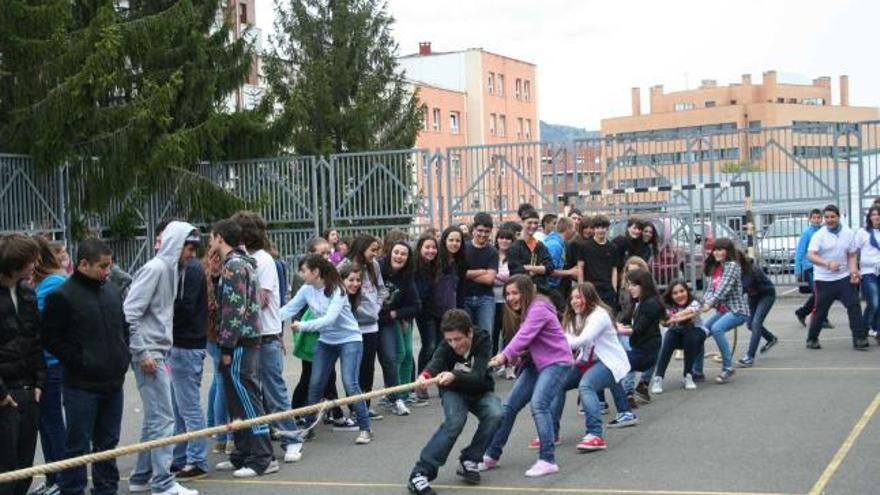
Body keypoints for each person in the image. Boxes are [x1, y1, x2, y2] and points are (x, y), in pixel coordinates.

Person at [42, 238, 128, 495]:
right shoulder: (62, 296)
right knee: (77, 446)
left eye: (109, 266)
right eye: (102, 266)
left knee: (108, 444)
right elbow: (50, 338)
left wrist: (123, 355)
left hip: (114, 382)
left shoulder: (111, 290)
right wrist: (80, 360)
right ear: (83, 264)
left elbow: (122, 326)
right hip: (82, 386)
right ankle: (73, 490)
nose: (107, 271)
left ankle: (106, 490)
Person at [124, 221, 200, 495]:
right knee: (164, 420)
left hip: (159, 351)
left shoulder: (172, 270)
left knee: (155, 419)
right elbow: (130, 313)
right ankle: (163, 483)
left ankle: (142, 477)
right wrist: (142, 352)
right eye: (189, 248)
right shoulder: (156, 269)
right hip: (150, 354)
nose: (192, 254)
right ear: (176, 244)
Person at [481, 275, 573, 478]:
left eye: (515, 293)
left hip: (556, 362)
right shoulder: (525, 312)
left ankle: (547, 460)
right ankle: (491, 455)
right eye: (507, 294)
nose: (511, 298)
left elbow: (524, 337)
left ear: (526, 291)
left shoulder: (538, 307)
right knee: (509, 406)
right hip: (536, 364)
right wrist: (512, 358)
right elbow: (525, 344)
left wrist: (504, 355)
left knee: (539, 404)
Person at [232, 212, 303, 464]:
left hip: (264, 336)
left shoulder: (262, 261)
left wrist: (233, 302)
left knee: (274, 392)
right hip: (251, 337)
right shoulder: (246, 260)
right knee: (253, 394)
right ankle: (251, 445)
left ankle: (292, 439)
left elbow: (261, 299)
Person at [406, 310, 502, 495]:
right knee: (454, 423)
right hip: (454, 392)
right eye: (449, 340)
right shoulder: (446, 345)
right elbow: (436, 362)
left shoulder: (482, 339)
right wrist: (424, 377)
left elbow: (477, 375)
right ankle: (420, 474)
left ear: (470, 332)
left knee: (496, 413)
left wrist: (454, 375)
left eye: (458, 339)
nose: (453, 344)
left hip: (479, 389)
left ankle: (470, 459)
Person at [279, 254, 373, 445]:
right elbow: (288, 309)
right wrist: (265, 323)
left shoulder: (337, 290)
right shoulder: (307, 289)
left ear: (315, 272)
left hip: (350, 340)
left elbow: (329, 319)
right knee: (315, 385)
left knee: (350, 383)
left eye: (304, 270)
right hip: (326, 341)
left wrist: (302, 326)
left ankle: (365, 428)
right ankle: (308, 429)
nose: (300, 274)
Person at [209, 219, 278, 478]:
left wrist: (225, 345)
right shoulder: (238, 264)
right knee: (236, 400)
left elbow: (233, 310)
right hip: (242, 340)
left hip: (240, 342)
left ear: (219, 238)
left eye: (212, 238)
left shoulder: (235, 266)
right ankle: (242, 453)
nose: (210, 243)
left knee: (247, 398)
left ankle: (262, 457)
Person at [548, 283, 631, 452]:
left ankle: (595, 434)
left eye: (579, 297)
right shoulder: (573, 317)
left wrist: (555, 339)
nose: (574, 302)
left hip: (608, 361)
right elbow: (568, 342)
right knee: (557, 384)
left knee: (587, 385)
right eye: (572, 298)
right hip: (584, 361)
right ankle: (551, 433)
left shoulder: (599, 315)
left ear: (590, 297)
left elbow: (581, 340)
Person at [0, 234, 45, 495]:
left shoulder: (27, 293)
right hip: (5, 394)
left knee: (25, 466)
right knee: (6, 468)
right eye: (30, 261)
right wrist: (2, 393)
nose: (35, 265)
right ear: (16, 264)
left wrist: (40, 379)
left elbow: (35, 339)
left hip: (29, 390)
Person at [169, 228, 210, 478]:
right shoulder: (187, 268)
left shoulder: (191, 269)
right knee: (179, 406)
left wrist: (163, 310)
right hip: (183, 343)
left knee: (188, 406)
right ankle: (180, 456)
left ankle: (196, 459)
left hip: (187, 344)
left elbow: (184, 306)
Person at [29, 236, 68, 495]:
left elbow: (37, 322)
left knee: (52, 424)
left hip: (52, 365)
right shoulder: (45, 283)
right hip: (44, 365)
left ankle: (62, 481)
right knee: (45, 423)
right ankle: (54, 477)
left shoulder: (53, 283)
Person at [806, 205, 869, 350]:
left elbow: (851, 254)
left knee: (853, 305)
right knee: (821, 311)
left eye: (832, 217)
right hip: (823, 280)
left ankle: (859, 339)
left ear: (838, 217)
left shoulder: (847, 233)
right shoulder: (819, 235)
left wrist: (853, 271)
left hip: (843, 277)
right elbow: (811, 255)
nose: (829, 220)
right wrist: (827, 263)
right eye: (826, 217)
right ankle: (812, 339)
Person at [340, 235, 387, 421]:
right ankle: (354, 408)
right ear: (362, 248)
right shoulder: (344, 266)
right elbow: (337, 292)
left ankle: (365, 406)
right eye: (372, 250)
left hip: (371, 325)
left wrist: (376, 307)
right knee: (352, 370)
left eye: (377, 250)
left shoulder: (374, 265)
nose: (375, 254)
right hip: (351, 327)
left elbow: (382, 289)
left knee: (368, 368)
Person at [692, 238, 751, 383]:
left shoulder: (732, 266)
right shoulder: (716, 268)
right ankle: (697, 372)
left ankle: (727, 368)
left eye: (720, 250)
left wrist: (709, 305)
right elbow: (709, 291)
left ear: (727, 251)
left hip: (737, 310)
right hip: (723, 311)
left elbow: (721, 291)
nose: (716, 253)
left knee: (717, 329)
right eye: (715, 250)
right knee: (700, 333)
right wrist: (697, 306)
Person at [609, 269, 662, 421]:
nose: (630, 288)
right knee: (610, 368)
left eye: (633, 285)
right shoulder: (639, 303)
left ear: (643, 285)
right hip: (641, 349)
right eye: (628, 285)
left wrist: (616, 330)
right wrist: (617, 325)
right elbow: (627, 322)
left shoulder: (649, 304)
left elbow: (637, 329)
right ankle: (615, 403)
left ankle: (624, 410)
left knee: (613, 371)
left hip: (646, 353)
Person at [378, 241, 421, 415]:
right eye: (396, 252)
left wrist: (396, 314)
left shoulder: (406, 276)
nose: (399, 256)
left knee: (392, 357)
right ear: (390, 253)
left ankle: (395, 398)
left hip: (387, 321)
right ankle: (360, 405)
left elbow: (416, 306)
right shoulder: (378, 268)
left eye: (403, 254)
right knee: (365, 364)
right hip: (366, 322)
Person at [649, 280, 705, 393]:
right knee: (670, 335)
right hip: (676, 335)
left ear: (687, 291)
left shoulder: (695, 302)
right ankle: (658, 377)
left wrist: (674, 317)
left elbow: (690, 312)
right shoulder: (667, 306)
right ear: (671, 295)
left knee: (689, 330)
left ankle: (688, 375)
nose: (679, 295)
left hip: (696, 334)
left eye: (682, 291)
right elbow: (664, 322)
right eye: (675, 293)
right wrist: (666, 320)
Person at [203, 250, 232, 455]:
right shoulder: (215, 278)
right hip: (217, 336)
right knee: (224, 384)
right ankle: (224, 436)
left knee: (218, 381)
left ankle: (214, 427)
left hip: (214, 335)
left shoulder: (207, 274)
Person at [462, 213, 499, 342]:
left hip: (485, 298)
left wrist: (466, 274)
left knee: (485, 335)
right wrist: (482, 271)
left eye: (487, 232)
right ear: (473, 230)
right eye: (480, 231)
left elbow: (489, 279)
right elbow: (458, 273)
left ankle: (484, 362)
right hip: (464, 297)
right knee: (466, 335)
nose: (483, 235)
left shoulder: (492, 251)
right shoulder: (463, 248)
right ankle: (468, 362)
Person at [738, 258, 778, 367]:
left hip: (766, 295)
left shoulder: (750, 270)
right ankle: (771, 338)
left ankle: (749, 357)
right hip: (753, 297)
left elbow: (742, 288)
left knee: (756, 323)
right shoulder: (736, 270)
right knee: (750, 324)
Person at [507, 208, 553, 296]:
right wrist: (539, 269)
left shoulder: (540, 245)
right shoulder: (514, 247)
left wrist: (528, 267)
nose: (533, 226)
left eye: (536, 223)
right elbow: (516, 272)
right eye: (529, 222)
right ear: (522, 223)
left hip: (542, 291)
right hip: (523, 293)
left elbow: (550, 267)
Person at [794, 209, 828, 328]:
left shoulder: (824, 231)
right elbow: (800, 252)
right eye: (814, 218)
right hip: (810, 267)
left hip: (821, 266)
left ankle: (803, 312)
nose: (817, 220)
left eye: (819, 217)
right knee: (818, 293)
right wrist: (798, 269)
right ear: (810, 219)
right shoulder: (807, 233)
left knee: (823, 293)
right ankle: (818, 318)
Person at [580, 215, 619, 313]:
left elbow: (614, 269)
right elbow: (580, 267)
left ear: (607, 228)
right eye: (597, 227)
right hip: (591, 290)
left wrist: (614, 289)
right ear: (593, 229)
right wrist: (581, 288)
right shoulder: (585, 246)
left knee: (609, 317)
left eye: (603, 227)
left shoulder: (613, 247)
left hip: (608, 290)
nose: (600, 230)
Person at [492, 228, 515, 377]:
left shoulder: (514, 257)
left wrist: (495, 277)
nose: (504, 241)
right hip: (492, 300)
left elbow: (514, 276)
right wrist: (504, 278)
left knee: (508, 333)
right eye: (501, 238)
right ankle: (494, 363)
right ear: (497, 239)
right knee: (493, 333)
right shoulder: (491, 255)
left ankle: (508, 366)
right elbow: (489, 277)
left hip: (509, 301)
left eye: (508, 238)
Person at [855, 206, 880, 342]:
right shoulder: (863, 232)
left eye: (878, 214)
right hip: (868, 272)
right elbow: (853, 251)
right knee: (874, 303)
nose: (876, 217)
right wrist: (854, 269)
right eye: (873, 215)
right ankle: (862, 332)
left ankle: (878, 331)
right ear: (870, 217)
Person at [543, 217, 578, 312]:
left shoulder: (556, 242)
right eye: (574, 228)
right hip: (549, 287)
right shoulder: (555, 246)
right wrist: (570, 272)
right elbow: (549, 271)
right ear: (568, 229)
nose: (575, 231)